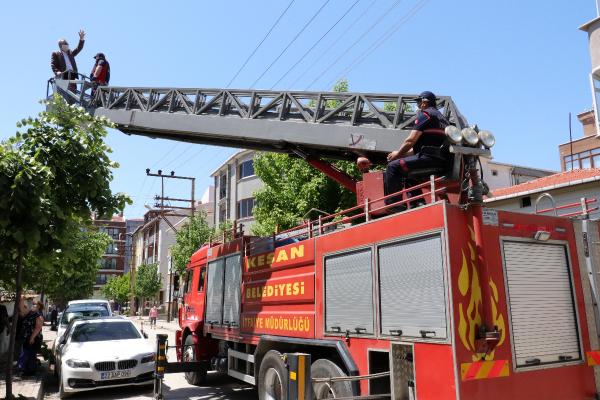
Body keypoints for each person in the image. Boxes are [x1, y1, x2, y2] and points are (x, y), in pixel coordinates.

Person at [384, 91, 451, 209]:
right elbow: (424, 148)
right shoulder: (443, 120)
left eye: (419, 102)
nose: (418, 105)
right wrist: (402, 155)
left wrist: (397, 154)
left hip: (428, 159)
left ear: (425, 102)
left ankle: (394, 204)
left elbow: (410, 141)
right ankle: (417, 203)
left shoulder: (425, 115)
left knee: (393, 167)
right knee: (408, 170)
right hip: (439, 160)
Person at [17, 301, 44, 376]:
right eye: (33, 304)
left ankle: (27, 369)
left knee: (28, 353)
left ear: (38, 307)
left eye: (35, 305)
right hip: (26, 337)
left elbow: (38, 328)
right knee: (27, 353)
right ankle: (26, 370)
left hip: (33, 338)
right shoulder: (29, 314)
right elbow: (22, 308)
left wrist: (32, 338)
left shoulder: (39, 315)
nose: (33, 306)